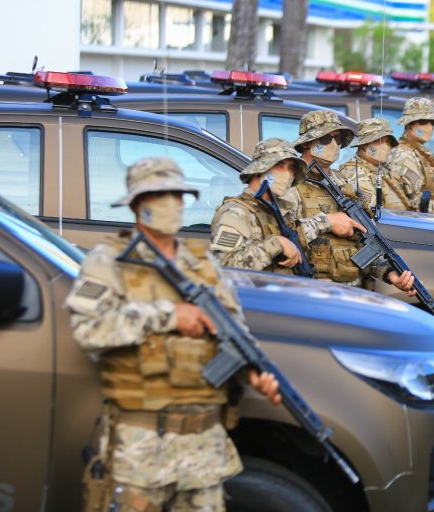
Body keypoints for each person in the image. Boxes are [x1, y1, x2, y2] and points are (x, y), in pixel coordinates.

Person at [65, 157, 282, 511]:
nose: (170, 203)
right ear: (136, 205)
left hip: (204, 449)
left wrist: (253, 373)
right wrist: (168, 316)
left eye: (177, 195)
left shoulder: (203, 264)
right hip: (141, 447)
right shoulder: (109, 261)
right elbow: (89, 329)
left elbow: (234, 330)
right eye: (158, 195)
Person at [293, 110, 416, 292]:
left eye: (338, 139)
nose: (334, 145)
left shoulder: (343, 183)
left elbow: (361, 246)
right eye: (326, 138)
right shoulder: (290, 184)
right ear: (307, 143)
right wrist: (326, 222)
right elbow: (281, 240)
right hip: (311, 292)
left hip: (353, 293)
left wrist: (390, 274)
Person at [211, 138, 335, 273]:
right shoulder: (236, 212)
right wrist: (276, 244)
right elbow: (224, 265)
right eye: (279, 165)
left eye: (291, 168)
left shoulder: (278, 212)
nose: (287, 174)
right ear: (260, 169)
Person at [385, 97, 434, 218]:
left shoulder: (422, 152)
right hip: (425, 223)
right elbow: (412, 201)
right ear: (410, 125)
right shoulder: (403, 156)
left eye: (432, 122)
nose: (430, 127)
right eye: (423, 122)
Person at [336, 117, 410, 211]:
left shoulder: (382, 170)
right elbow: (371, 212)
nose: (386, 146)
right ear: (364, 145)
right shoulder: (355, 172)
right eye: (379, 141)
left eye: (389, 142)